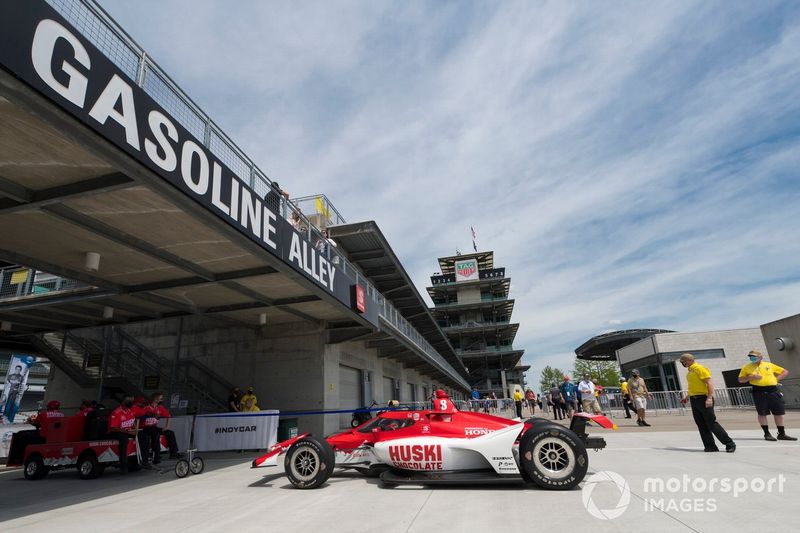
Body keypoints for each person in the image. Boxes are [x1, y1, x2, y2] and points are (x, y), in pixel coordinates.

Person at [678, 353, 735, 453]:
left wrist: (709, 398)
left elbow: (709, 383)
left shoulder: (700, 368)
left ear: (688, 361)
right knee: (701, 423)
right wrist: (687, 397)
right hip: (694, 399)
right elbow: (694, 387)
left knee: (711, 423)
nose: (683, 364)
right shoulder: (690, 372)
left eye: (683, 362)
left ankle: (729, 443)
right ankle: (710, 446)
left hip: (703, 398)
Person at [738, 350, 796, 441]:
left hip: (773, 391)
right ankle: (767, 434)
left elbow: (785, 371)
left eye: (754, 357)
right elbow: (740, 380)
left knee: (779, 412)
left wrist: (776, 380)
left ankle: (781, 434)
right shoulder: (746, 367)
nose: (752, 358)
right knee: (762, 413)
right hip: (759, 391)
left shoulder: (769, 365)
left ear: (760, 357)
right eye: (750, 357)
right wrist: (751, 377)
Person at [108, 395, 153, 472]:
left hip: (128, 431)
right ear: (123, 402)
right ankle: (123, 465)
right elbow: (113, 428)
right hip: (116, 432)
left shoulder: (130, 411)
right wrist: (128, 432)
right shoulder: (116, 412)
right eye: (128, 401)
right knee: (124, 440)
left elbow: (132, 423)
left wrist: (135, 430)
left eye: (131, 401)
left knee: (145, 437)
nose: (130, 402)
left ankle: (144, 461)